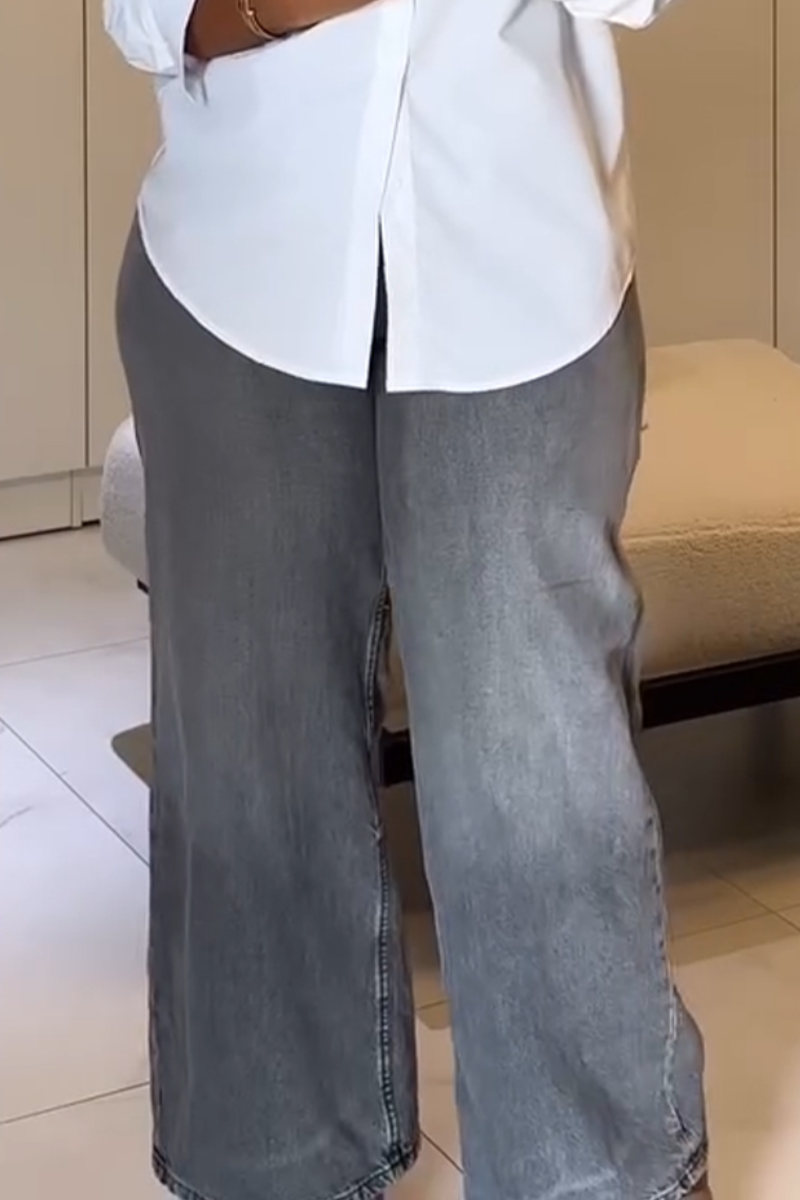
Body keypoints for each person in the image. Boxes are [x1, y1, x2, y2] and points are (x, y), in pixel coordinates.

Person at [105, 1, 712, 1198]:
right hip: (231, 273)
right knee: (251, 768)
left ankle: (594, 1178)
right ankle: (274, 1170)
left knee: (532, 771)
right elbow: (145, 14)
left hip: (520, 277)